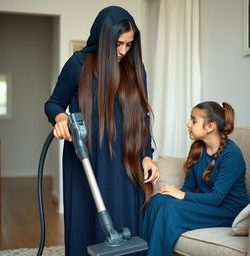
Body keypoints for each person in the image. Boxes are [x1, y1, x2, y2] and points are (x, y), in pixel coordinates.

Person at [44, 6, 159, 256]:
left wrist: (147, 155)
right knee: (88, 227)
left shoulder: (135, 69)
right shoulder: (78, 64)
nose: (123, 51)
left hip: (127, 161)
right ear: (104, 38)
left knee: (125, 227)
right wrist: (61, 117)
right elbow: (53, 102)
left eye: (129, 45)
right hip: (87, 161)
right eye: (118, 44)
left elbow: (143, 118)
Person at [141, 101, 249, 256]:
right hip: (209, 206)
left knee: (170, 209)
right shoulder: (198, 148)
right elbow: (189, 188)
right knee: (158, 200)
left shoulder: (231, 155)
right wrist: (173, 194)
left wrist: (181, 196)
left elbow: (217, 198)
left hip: (229, 211)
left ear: (210, 127)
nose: (188, 124)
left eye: (194, 120)